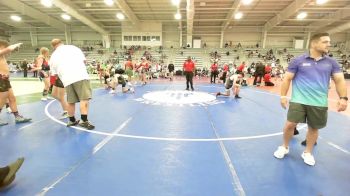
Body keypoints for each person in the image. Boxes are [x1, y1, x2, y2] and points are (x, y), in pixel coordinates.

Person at [273, 33, 348, 166]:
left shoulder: (332, 62)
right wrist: (283, 96)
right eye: (325, 42)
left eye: (329, 42)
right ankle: (284, 147)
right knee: (290, 125)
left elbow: (339, 80)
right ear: (314, 44)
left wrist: (343, 98)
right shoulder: (298, 60)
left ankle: (307, 152)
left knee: (313, 128)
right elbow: (287, 79)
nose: (329, 44)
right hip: (298, 100)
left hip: (319, 102)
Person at [49, 39, 95, 130]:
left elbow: (54, 74)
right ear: (61, 42)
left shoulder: (53, 56)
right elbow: (84, 61)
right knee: (84, 99)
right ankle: (84, 120)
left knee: (71, 101)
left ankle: (72, 120)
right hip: (80, 76)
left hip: (66, 80)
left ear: (53, 46)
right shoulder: (73, 48)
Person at [0, 40, 32, 126]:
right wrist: (16, 44)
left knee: (12, 98)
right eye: (4, 47)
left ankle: (17, 117)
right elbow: (9, 49)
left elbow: (8, 51)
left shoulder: (2, 56)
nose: (6, 49)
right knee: (2, 100)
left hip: (5, 80)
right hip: (1, 79)